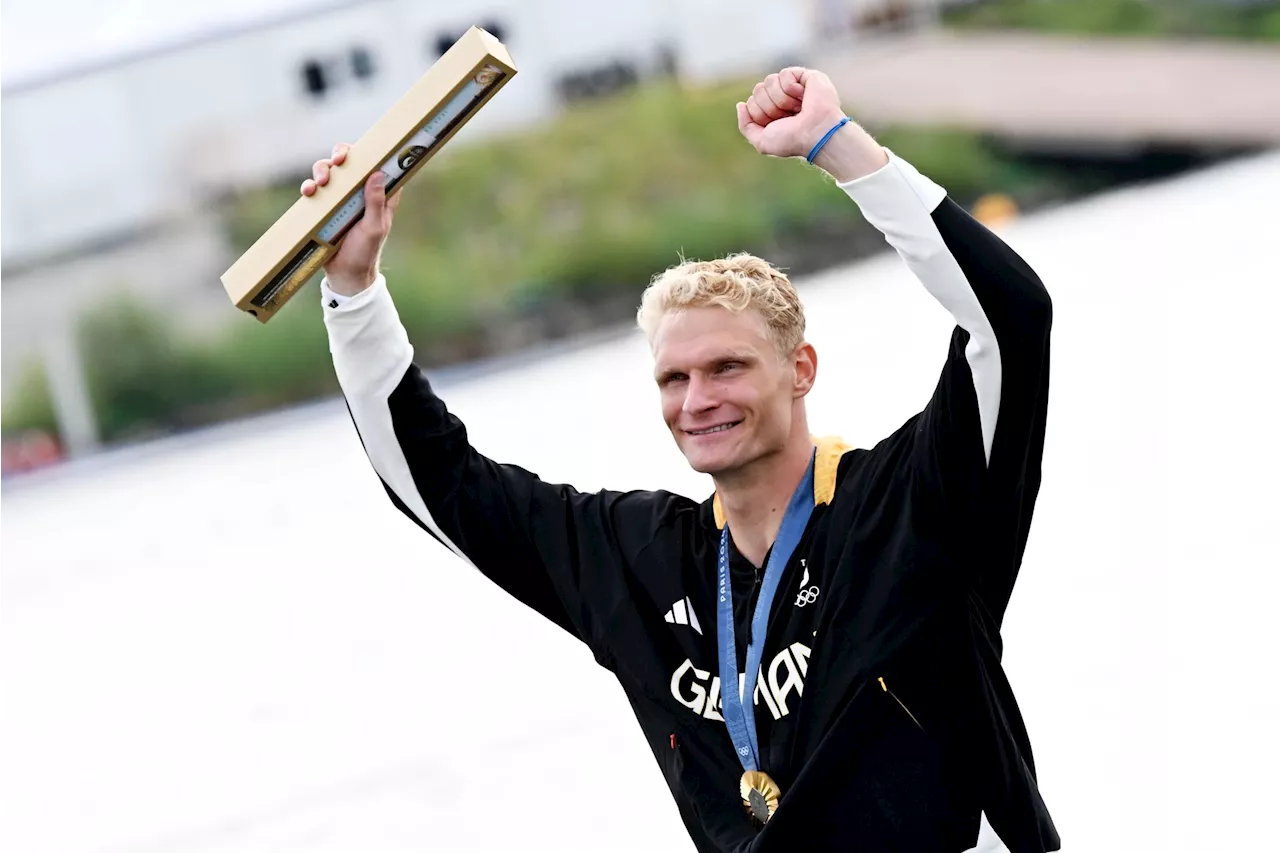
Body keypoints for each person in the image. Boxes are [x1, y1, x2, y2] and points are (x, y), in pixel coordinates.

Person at [303, 66, 1058, 852]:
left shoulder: (916, 502)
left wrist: (838, 147)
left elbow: (1010, 318)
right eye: (674, 377)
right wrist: (354, 290)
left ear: (800, 370)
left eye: (727, 368)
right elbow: (440, 487)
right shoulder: (640, 560)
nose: (697, 399)